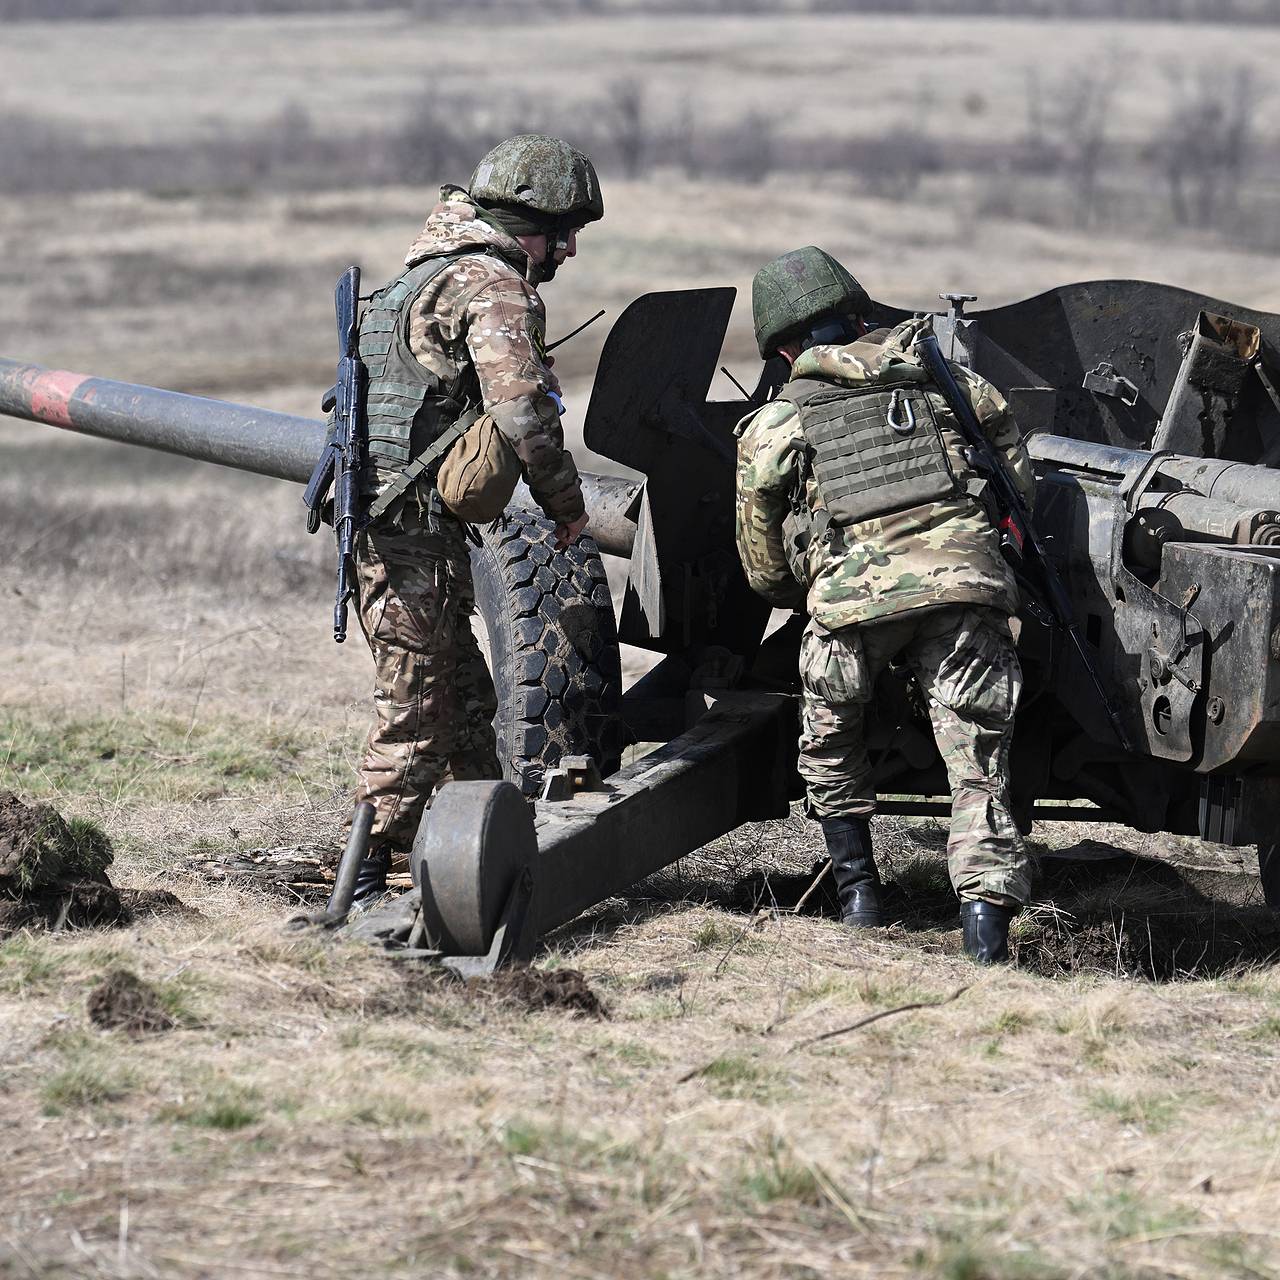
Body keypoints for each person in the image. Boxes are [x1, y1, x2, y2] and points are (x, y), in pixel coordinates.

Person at [734, 246, 1035, 962]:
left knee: (831, 742)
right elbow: (1010, 459)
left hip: (847, 606)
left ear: (783, 348)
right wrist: (994, 544)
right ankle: (986, 933)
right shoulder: (947, 383)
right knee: (977, 760)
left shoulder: (778, 423)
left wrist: (800, 592)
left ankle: (860, 899)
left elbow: (760, 555)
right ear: (862, 317)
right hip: (964, 588)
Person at [348, 134, 601, 905]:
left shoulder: (419, 277)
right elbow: (522, 410)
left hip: (396, 527)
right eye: (565, 238)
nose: (566, 256)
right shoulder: (490, 286)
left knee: (463, 709)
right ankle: (363, 884)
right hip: (410, 536)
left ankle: (479, 863)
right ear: (536, 226)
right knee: (417, 711)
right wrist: (566, 506)